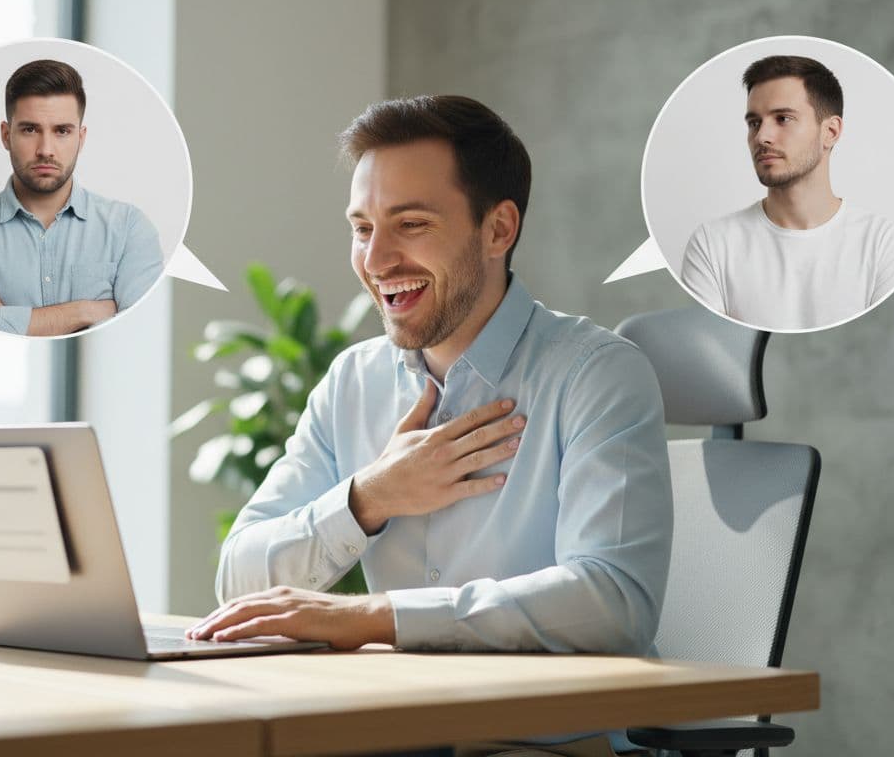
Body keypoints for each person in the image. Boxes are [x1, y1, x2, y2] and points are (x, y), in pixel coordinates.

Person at [191, 94, 672, 665]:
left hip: (538, 742)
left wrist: (381, 616)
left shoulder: (595, 375)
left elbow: (615, 603)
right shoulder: (353, 382)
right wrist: (369, 498)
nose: (376, 260)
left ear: (498, 230)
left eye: (411, 224)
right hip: (397, 728)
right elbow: (239, 582)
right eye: (362, 228)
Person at [680, 55, 894, 330]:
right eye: (754, 123)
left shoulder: (885, 246)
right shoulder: (713, 245)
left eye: (783, 118)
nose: (762, 137)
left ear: (830, 132)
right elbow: (712, 357)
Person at [0, 59, 164, 336]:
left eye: (62, 131)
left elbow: (136, 334)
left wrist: (2, 320)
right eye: (30, 129)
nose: (46, 149)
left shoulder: (129, 228)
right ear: (6, 135)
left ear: (81, 137)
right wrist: (84, 312)